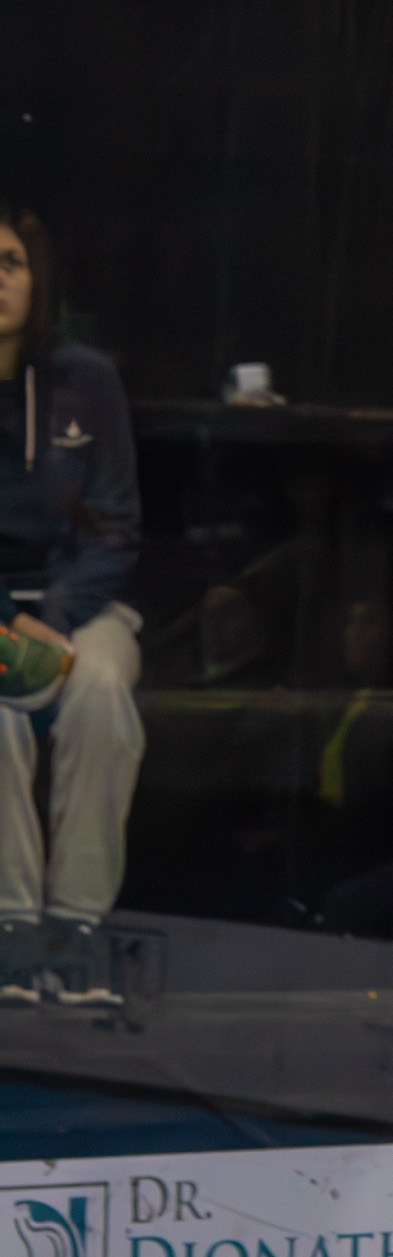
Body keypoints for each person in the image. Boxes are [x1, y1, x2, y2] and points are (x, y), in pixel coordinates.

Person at [0, 208, 144, 1010]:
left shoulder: (84, 379)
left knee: (101, 691)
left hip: (81, 604)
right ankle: (12, 931)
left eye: (10, 262)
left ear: (38, 277)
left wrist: (54, 620)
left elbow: (115, 524)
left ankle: (75, 930)